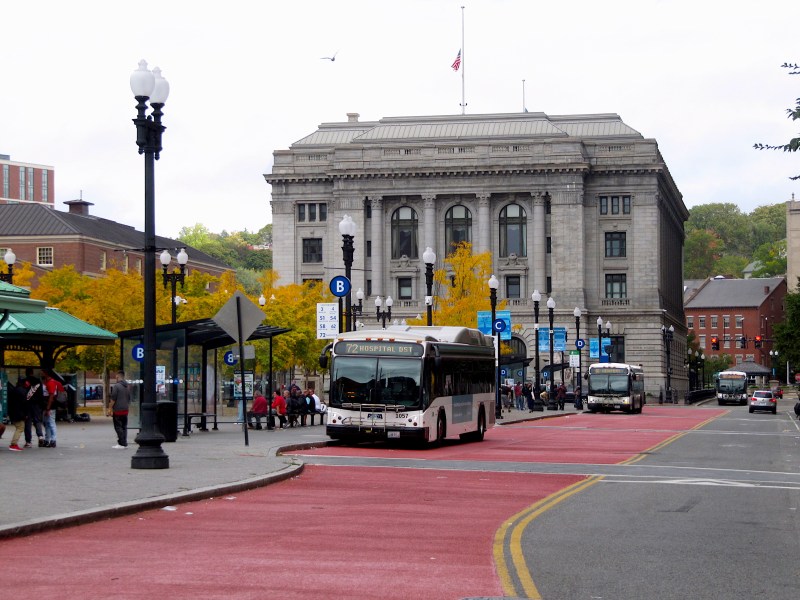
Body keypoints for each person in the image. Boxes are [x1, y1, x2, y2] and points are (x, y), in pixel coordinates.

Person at [21, 367, 45, 448]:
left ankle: (28, 442)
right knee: (37, 421)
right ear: (32, 372)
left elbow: (21, 393)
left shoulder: (23, 381)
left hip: (26, 404)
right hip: (36, 405)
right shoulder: (38, 381)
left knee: (27, 422)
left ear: (26, 372)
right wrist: (42, 406)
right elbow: (41, 394)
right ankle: (40, 436)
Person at [108, 371, 131, 449]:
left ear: (118, 377)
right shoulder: (127, 386)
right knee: (124, 426)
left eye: (116, 377)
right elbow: (129, 398)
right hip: (125, 409)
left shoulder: (116, 386)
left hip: (118, 409)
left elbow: (113, 398)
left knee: (118, 427)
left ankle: (121, 443)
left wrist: (110, 408)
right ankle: (124, 442)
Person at [41, 370, 64, 448]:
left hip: (50, 406)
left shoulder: (51, 383)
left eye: (42, 372)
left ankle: (52, 440)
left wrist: (48, 408)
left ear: (46, 373)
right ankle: (48, 439)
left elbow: (51, 396)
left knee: (50, 423)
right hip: (48, 405)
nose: (41, 373)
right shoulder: (48, 382)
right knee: (47, 423)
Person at [6, 380, 27, 451]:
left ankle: (14, 444)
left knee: (19, 427)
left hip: (13, 412)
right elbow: (24, 404)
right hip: (19, 413)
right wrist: (25, 414)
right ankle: (13, 444)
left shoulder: (13, 390)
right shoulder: (22, 391)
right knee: (20, 427)